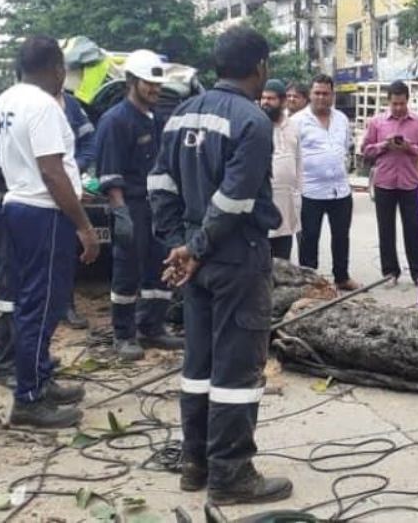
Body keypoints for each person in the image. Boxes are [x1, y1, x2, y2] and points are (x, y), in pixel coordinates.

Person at [149, 26, 292, 505]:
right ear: (261, 67)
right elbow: (235, 199)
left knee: (199, 363)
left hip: (196, 260)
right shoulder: (252, 121)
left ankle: (196, 463)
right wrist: (195, 247)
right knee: (236, 368)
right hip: (234, 258)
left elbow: (160, 185)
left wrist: (179, 245)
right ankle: (231, 475)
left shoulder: (181, 115)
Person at [0, 36, 99, 427]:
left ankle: (39, 377)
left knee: (32, 301)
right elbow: (52, 171)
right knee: (42, 305)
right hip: (44, 212)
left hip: (20, 205)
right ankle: (29, 399)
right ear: (57, 69)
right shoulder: (43, 105)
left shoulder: (6, 99)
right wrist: (84, 226)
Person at [95, 50, 185, 361]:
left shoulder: (156, 119)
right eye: (149, 84)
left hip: (157, 207)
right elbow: (110, 174)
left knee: (159, 267)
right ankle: (123, 334)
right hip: (131, 205)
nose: (155, 90)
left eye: (158, 85)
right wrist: (121, 214)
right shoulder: (115, 121)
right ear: (131, 82)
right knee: (127, 270)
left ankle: (152, 326)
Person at [293, 75, 359, 290]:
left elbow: (345, 147)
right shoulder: (297, 121)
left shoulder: (341, 119)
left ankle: (342, 277)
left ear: (332, 95)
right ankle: (309, 282)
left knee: (341, 236)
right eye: (317, 93)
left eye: (326, 93)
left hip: (340, 190)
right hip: (310, 191)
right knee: (309, 238)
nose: (321, 97)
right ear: (310, 95)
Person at [361, 80, 418, 286]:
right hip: (384, 183)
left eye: (402, 103)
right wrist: (384, 145)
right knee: (386, 229)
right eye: (394, 104)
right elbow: (365, 150)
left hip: (411, 183)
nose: (398, 108)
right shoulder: (377, 122)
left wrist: (409, 147)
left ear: (408, 101)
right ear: (388, 101)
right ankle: (390, 272)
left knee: (413, 229)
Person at [61, 93, 97, 330]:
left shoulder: (71, 105)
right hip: (31, 195)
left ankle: (65, 306)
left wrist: (74, 170)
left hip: (65, 192)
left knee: (65, 250)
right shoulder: (18, 103)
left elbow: (89, 143)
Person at [260, 79, 301, 261]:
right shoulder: (257, 125)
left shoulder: (293, 126)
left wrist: (299, 194)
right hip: (264, 204)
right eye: (263, 98)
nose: (265, 102)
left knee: (283, 260)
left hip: (287, 205)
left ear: (283, 101)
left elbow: (298, 162)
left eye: (271, 99)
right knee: (262, 259)